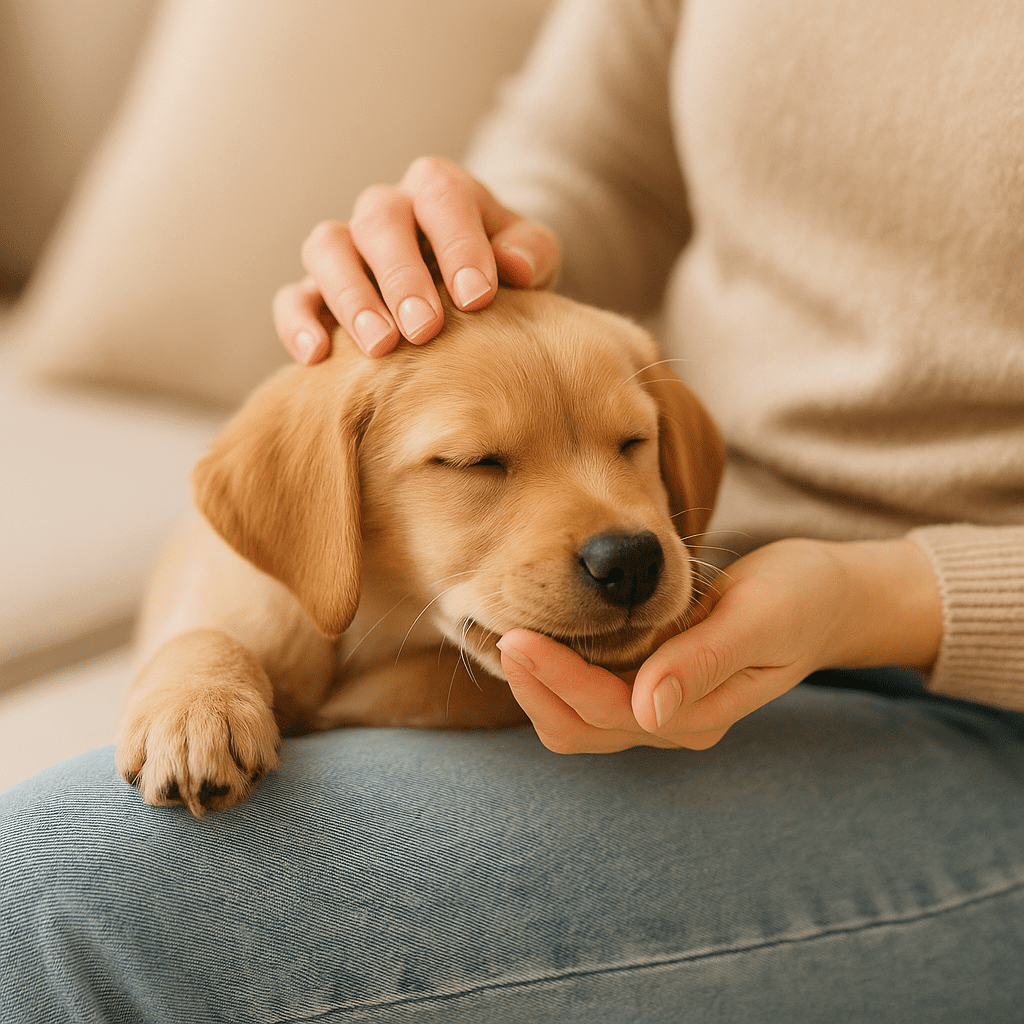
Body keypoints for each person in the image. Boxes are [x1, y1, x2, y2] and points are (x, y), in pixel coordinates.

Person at [3, 1, 1022, 1020]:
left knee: (55, 890)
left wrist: (884, 595)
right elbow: (601, 164)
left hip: (972, 713)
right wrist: (468, 254)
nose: (622, 530)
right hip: (745, 605)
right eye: (479, 461)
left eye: (636, 446)